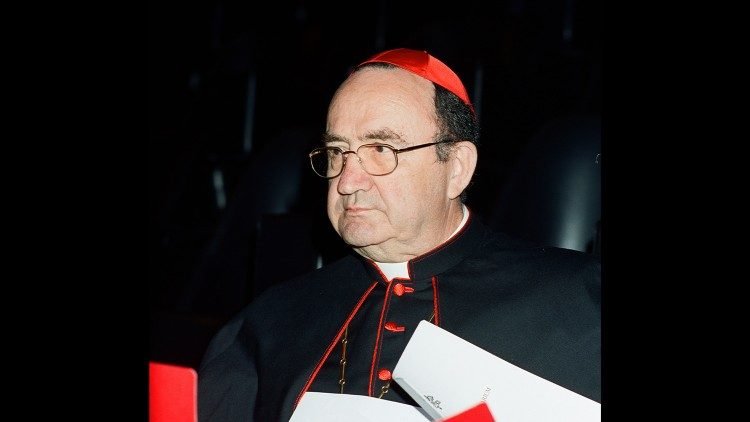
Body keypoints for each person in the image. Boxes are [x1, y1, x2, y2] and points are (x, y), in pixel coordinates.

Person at [197, 48, 601, 421]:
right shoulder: (268, 323)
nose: (347, 182)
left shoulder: (584, 301)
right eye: (337, 152)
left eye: (380, 150)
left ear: (457, 167)